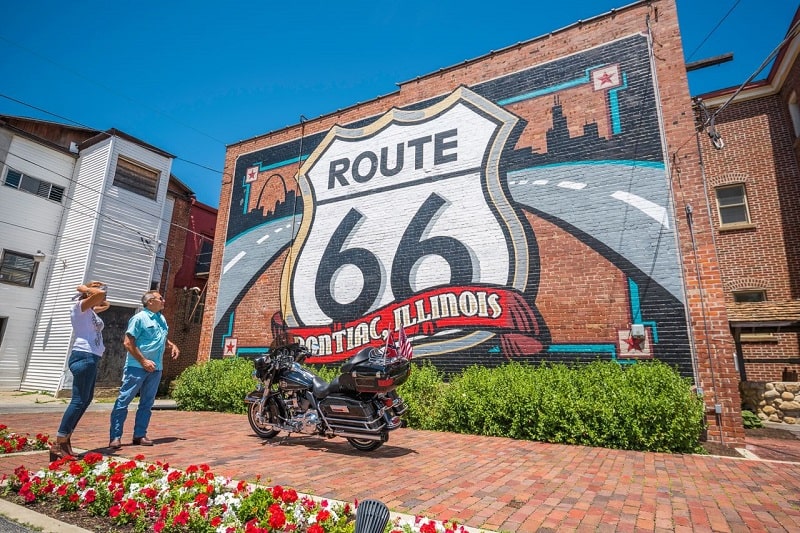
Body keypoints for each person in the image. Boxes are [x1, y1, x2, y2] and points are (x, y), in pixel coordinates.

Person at [108, 290, 179, 449]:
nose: (164, 300)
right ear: (150, 301)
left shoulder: (161, 318)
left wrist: (171, 345)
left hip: (156, 368)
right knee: (124, 401)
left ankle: (139, 435)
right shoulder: (139, 318)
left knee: (147, 404)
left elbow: (161, 337)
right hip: (137, 367)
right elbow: (128, 342)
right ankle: (115, 436)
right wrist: (143, 361)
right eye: (161, 298)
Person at [51, 281, 110, 461]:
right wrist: (85, 288)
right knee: (78, 400)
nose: (102, 296)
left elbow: (106, 303)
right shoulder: (79, 308)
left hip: (91, 357)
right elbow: (99, 297)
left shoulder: (90, 311)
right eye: (95, 294)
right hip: (84, 356)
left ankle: (66, 438)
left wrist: (94, 288)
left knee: (86, 399)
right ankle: (59, 441)